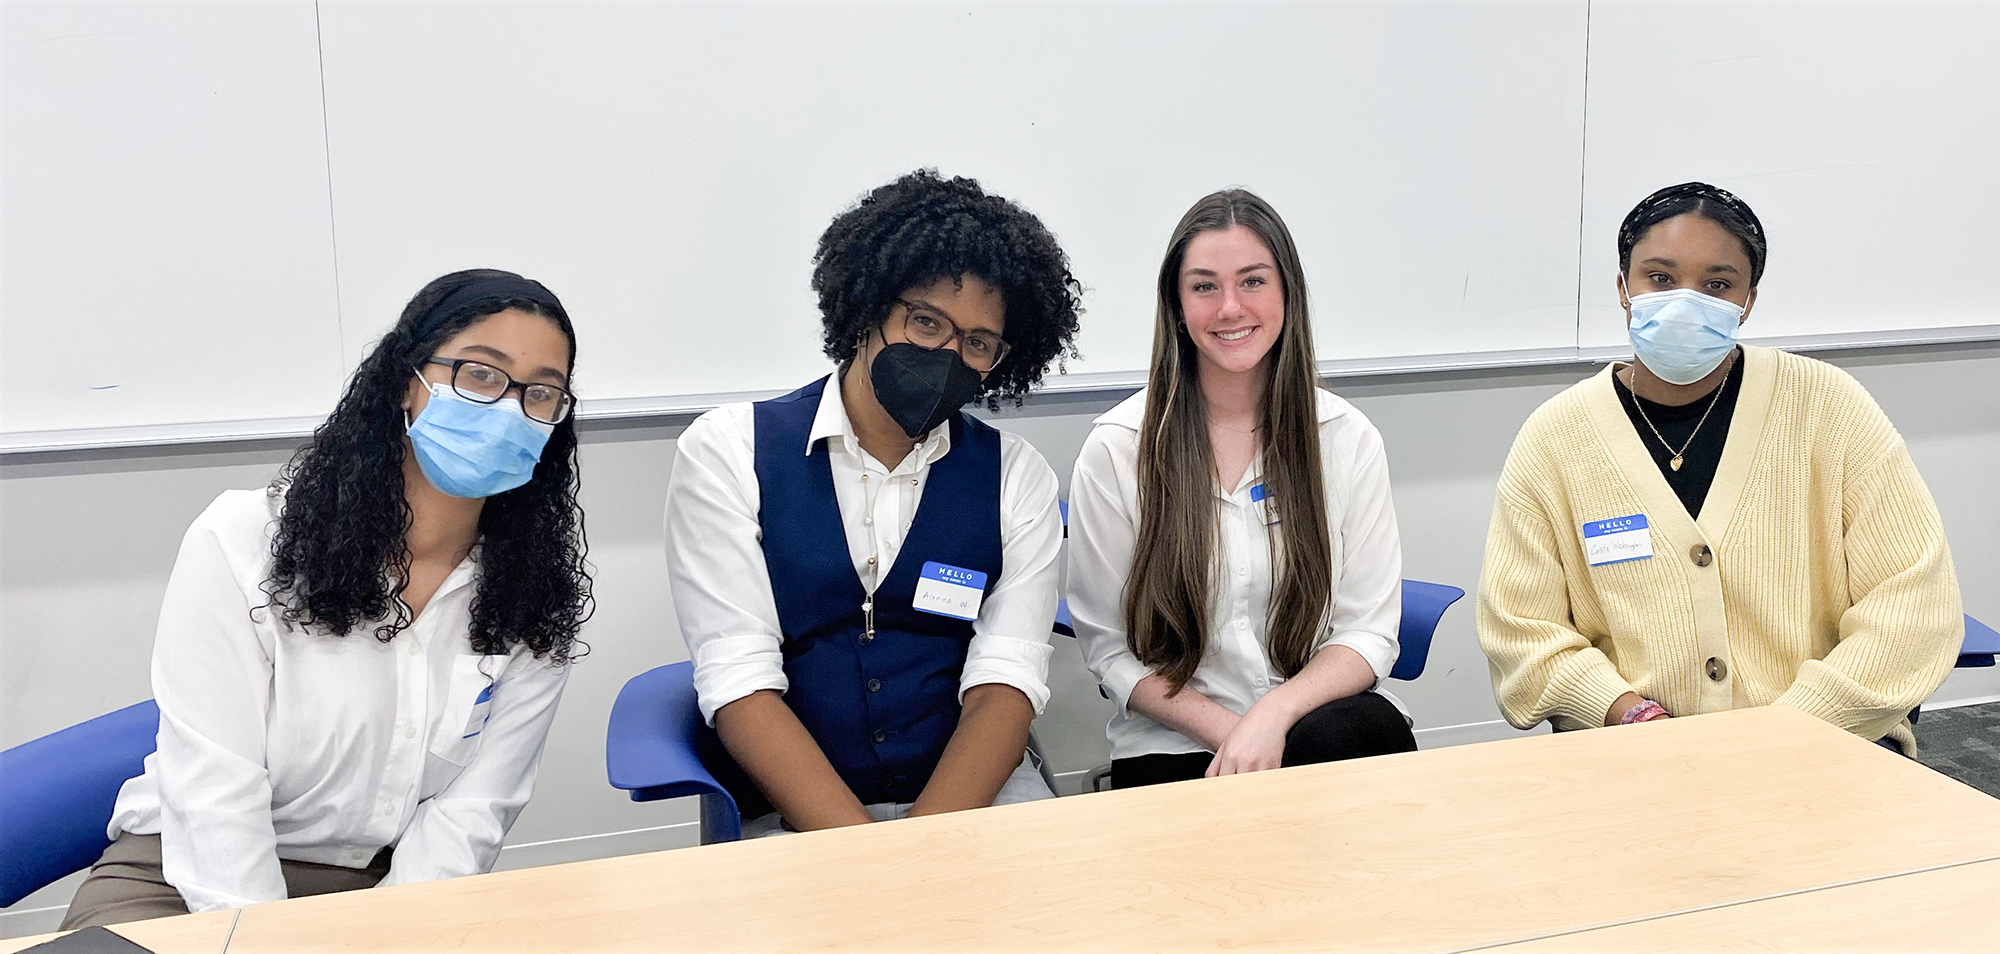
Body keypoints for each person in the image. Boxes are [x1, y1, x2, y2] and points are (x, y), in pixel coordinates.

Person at [62, 270, 592, 928]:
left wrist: (387, 934)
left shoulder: (531, 592)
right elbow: (213, 797)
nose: (510, 408)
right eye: (480, 374)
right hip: (181, 879)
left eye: (541, 392)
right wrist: (269, 943)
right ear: (408, 381)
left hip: (385, 891)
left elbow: (473, 813)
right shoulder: (240, 542)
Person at [663, 169, 1083, 835]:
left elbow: (1007, 680)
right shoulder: (727, 451)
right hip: (791, 807)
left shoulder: (1016, 476)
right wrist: (864, 860)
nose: (947, 354)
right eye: (925, 321)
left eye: (977, 342)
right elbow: (739, 680)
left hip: (969, 799)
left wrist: (920, 848)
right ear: (866, 307)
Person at [1477, 182, 1961, 753]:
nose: (1686, 299)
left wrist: (1784, 732)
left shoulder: (1829, 407)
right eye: (1659, 277)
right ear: (1624, 288)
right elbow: (1521, 629)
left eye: (1716, 284)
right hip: (1631, 756)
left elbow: (1911, 603)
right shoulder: (1556, 436)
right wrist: (1628, 715)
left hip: (1822, 749)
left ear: (1747, 301)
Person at [1067, 189, 1414, 790]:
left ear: (1287, 294)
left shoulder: (1346, 438)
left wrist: (1272, 717)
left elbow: (1367, 632)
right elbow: (1111, 651)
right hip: (1175, 747)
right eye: (1204, 286)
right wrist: (1235, 734)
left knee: (1356, 731)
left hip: (1320, 730)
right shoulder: (1117, 449)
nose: (1230, 307)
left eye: (1252, 281)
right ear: (1176, 304)